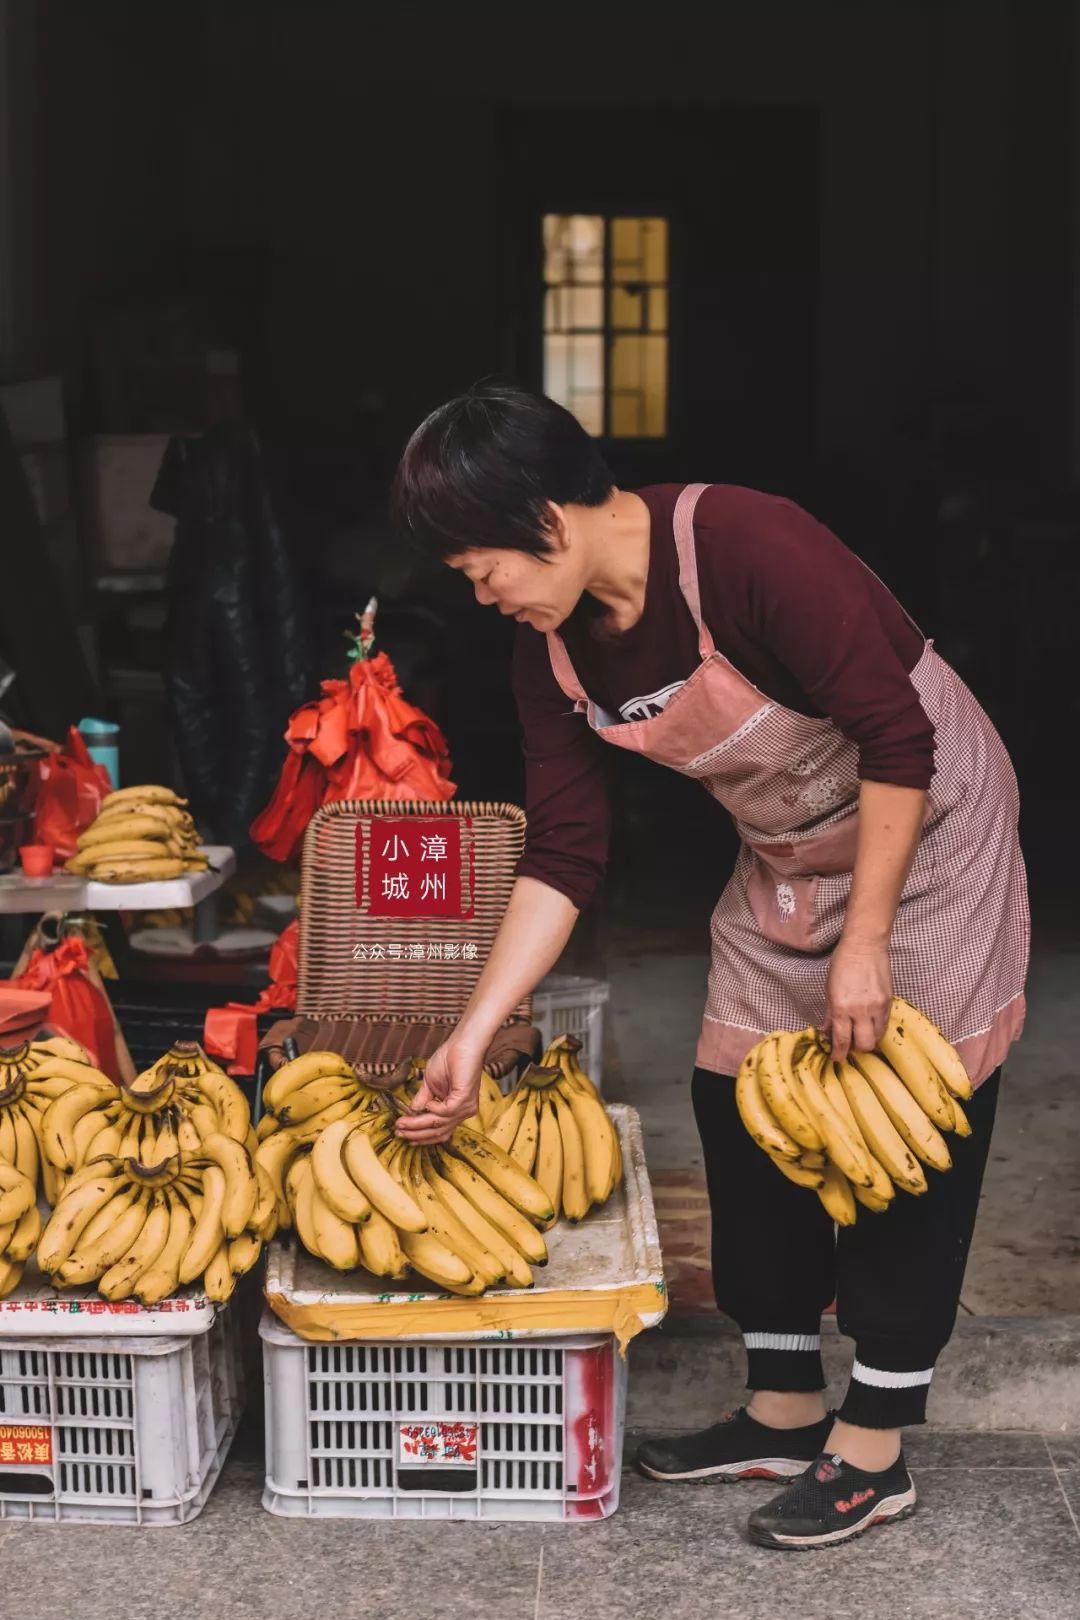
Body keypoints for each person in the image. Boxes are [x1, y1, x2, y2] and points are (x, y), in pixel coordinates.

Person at [390, 381, 1029, 1550]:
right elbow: (566, 855)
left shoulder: (744, 547)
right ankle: (783, 1408)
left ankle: (875, 1443)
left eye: (484, 567)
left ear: (548, 513)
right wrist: (476, 1034)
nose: (482, 596)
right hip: (788, 848)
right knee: (738, 1097)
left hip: (927, 828)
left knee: (911, 1114)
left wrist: (868, 943)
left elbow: (898, 735)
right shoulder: (553, 655)